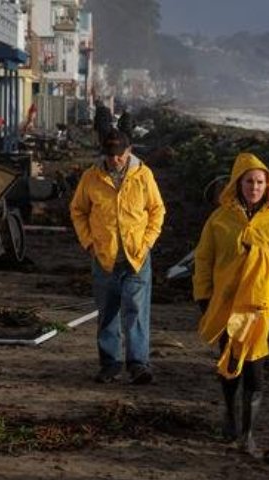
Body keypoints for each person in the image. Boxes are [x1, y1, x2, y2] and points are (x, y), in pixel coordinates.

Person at [193, 153, 269, 452]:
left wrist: (260, 260)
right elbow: (203, 259)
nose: (255, 187)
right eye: (249, 181)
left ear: (268, 186)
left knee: (255, 368)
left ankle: (248, 433)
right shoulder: (219, 219)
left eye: (260, 182)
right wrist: (203, 295)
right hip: (226, 305)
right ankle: (230, 414)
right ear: (238, 184)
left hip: (263, 308)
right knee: (229, 363)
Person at [70, 130, 166, 384]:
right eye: (110, 155)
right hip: (104, 257)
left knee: (136, 311)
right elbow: (78, 211)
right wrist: (89, 243)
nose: (115, 160)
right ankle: (110, 364)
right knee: (108, 311)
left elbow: (157, 210)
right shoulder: (91, 177)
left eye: (120, 155)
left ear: (129, 150)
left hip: (137, 257)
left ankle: (138, 364)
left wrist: (146, 243)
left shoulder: (143, 175)